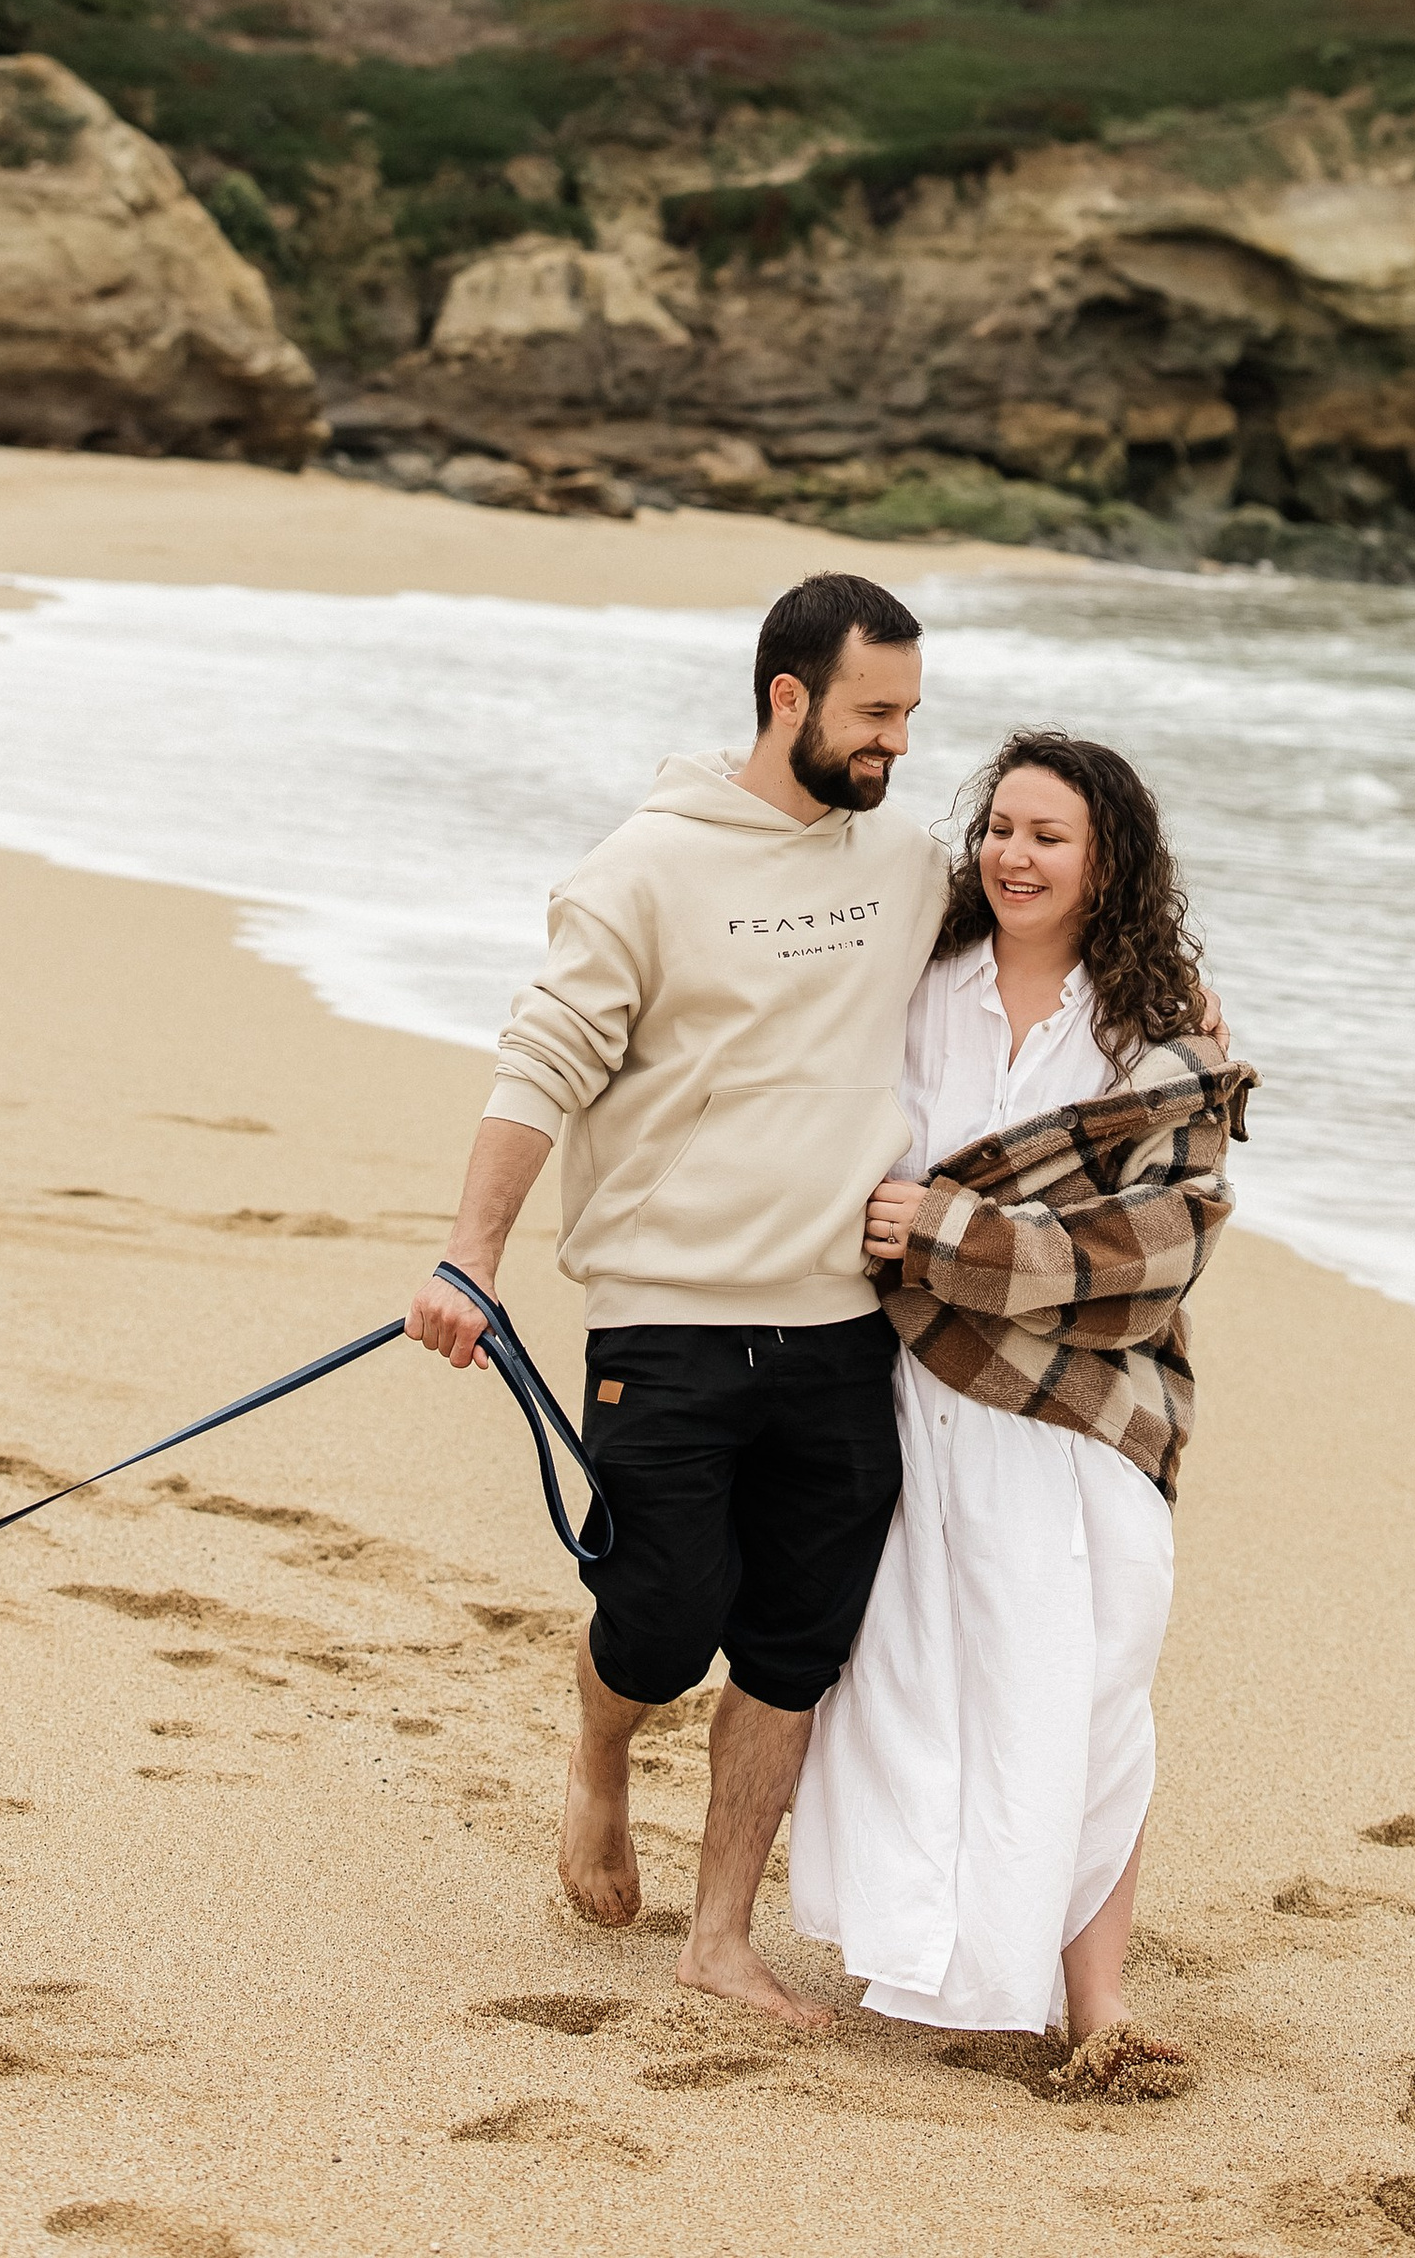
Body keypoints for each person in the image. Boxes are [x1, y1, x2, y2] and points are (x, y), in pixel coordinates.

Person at [406, 571, 948, 2027]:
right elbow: (543, 1061)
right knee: (658, 1616)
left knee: (792, 1642)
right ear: (790, 699)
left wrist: (1179, 1010)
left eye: (910, 712)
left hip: (842, 1328)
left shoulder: (906, 867)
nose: (899, 742)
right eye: (876, 712)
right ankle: (597, 1758)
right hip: (670, 1317)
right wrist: (473, 1251)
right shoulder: (641, 870)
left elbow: (1043, 938)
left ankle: (722, 1932)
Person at [789, 727, 1251, 2101]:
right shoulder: (917, 984)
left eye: (1050, 836)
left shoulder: (1153, 1034)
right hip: (920, 1403)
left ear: (1108, 861)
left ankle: (1095, 1996)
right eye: (1000, 827)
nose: (1015, 854)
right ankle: (934, 1952)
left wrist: (950, 1232)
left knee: (1091, 1692)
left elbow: (1166, 1243)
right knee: (924, 1691)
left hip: (1079, 1414)